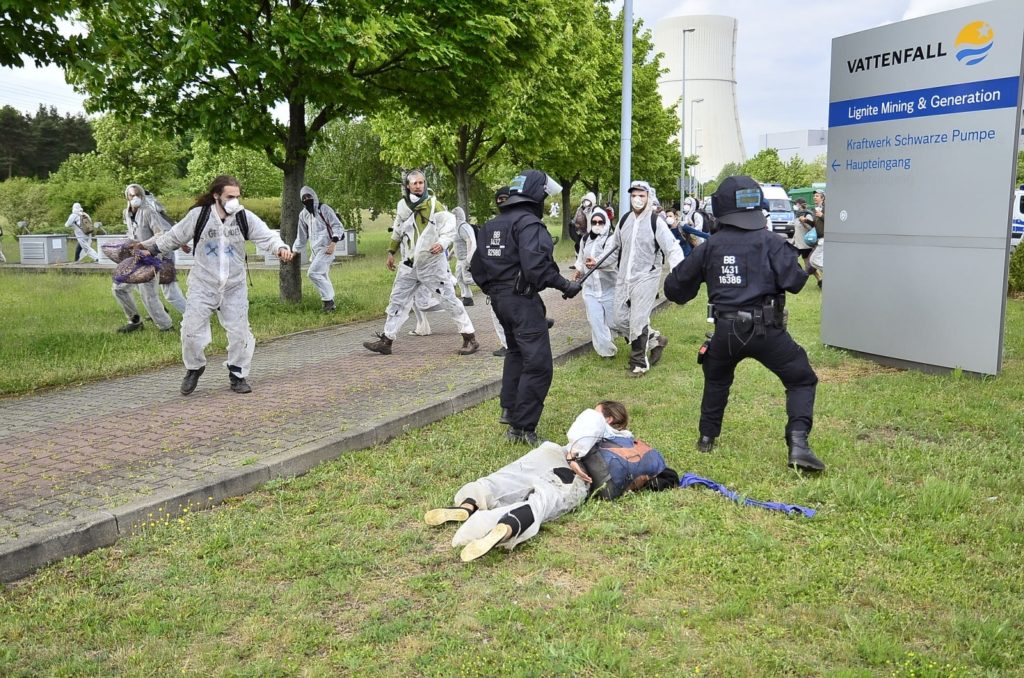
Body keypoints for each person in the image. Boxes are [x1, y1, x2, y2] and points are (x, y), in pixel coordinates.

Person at [663, 175, 824, 472]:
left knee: (717, 378)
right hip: (768, 330)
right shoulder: (771, 242)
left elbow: (674, 289)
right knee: (801, 378)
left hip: (725, 330)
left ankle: (707, 437)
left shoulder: (710, 247)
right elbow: (796, 282)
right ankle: (798, 444)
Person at [425, 401, 675, 561]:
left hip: (552, 453)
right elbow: (665, 474)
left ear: (608, 418)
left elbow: (586, 427)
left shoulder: (596, 422)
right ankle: (505, 527)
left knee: (506, 478)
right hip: (580, 476)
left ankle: (468, 504)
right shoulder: (629, 443)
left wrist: (570, 453)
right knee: (544, 500)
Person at [136, 175, 294, 395]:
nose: (235, 201)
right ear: (216, 196)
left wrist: (280, 248)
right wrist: (150, 250)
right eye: (230, 196)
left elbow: (267, 236)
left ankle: (237, 374)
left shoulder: (243, 217)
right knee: (190, 331)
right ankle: (194, 367)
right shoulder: (199, 216)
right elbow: (173, 237)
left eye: (238, 196)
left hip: (234, 286)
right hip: (203, 285)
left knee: (240, 332)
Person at [469, 169, 581, 444]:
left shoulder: (492, 224)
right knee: (539, 365)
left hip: (500, 302)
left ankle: (509, 409)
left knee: (516, 353)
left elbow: (476, 267)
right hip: (522, 303)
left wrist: (497, 292)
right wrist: (566, 286)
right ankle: (522, 427)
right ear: (536, 195)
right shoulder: (529, 224)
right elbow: (536, 267)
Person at [363, 170, 478, 356]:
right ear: (407, 185)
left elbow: (449, 229)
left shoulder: (434, 206)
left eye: (421, 182)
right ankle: (387, 340)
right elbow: (398, 232)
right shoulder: (403, 207)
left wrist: (442, 244)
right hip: (409, 264)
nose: (418, 186)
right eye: (414, 183)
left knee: (448, 300)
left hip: (432, 264)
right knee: (397, 300)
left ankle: (469, 337)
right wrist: (391, 252)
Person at [587, 181, 684, 377]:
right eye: (634, 195)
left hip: (647, 276)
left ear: (649, 197)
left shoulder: (656, 222)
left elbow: (672, 248)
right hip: (624, 277)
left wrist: (679, 273)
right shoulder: (624, 221)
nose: (637, 199)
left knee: (638, 319)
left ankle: (638, 363)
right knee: (619, 319)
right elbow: (613, 250)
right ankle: (655, 339)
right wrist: (597, 262)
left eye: (641, 195)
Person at [114, 184, 176, 334]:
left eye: (138, 195)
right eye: (131, 195)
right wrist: (125, 244)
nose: (135, 198)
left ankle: (166, 326)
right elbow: (131, 234)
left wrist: (143, 244)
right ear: (127, 197)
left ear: (142, 196)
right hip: (134, 258)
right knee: (119, 288)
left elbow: (161, 234)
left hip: (150, 258)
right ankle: (135, 321)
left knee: (149, 295)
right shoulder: (127, 214)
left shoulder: (149, 212)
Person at [574, 209, 617, 357]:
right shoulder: (585, 239)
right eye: (594, 222)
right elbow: (580, 258)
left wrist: (597, 263)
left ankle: (644, 339)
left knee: (614, 322)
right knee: (596, 322)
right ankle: (607, 352)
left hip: (609, 288)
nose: (597, 225)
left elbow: (611, 260)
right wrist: (579, 270)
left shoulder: (611, 239)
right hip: (590, 289)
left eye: (601, 222)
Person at [294, 185, 343, 313]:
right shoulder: (303, 214)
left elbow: (337, 226)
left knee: (313, 273)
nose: (306, 199)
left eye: (309, 196)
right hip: (315, 250)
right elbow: (302, 235)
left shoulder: (324, 209)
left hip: (327, 247)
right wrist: (295, 250)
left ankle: (328, 300)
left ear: (314, 196)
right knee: (323, 275)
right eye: (304, 198)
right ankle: (330, 307)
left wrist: (333, 243)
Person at [451, 206, 477, 306]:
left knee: (467, 278)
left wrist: (469, 257)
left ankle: (488, 284)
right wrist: (450, 254)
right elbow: (456, 243)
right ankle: (467, 298)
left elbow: (469, 241)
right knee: (460, 278)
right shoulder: (455, 227)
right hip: (459, 258)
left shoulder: (463, 226)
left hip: (466, 258)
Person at [789, 198, 816, 273]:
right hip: (797, 245)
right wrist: (792, 242)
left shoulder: (807, 215)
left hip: (805, 244)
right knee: (792, 260)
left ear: (799, 205)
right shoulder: (797, 215)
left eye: (796, 204)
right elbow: (797, 231)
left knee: (808, 265)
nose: (794, 206)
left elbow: (811, 228)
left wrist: (804, 222)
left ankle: (820, 280)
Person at [810, 189, 825, 288]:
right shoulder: (816, 209)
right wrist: (806, 220)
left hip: (826, 238)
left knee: (813, 260)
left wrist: (822, 215)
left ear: (822, 198)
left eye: (817, 196)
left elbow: (835, 221)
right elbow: (815, 224)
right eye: (814, 196)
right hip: (819, 239)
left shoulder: (827, 207)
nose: (815, 197)